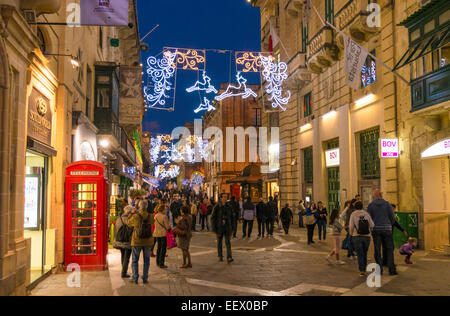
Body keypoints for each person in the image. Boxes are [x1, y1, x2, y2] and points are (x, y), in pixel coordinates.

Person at [367, 189, 397, 276]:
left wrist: (372, 227)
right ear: (381, 195)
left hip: (376, 230)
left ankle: (379, 270)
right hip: (387, 229)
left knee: (377, 250)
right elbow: (392, 218)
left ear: (375, 195)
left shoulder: (371, 205)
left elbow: (369, 218)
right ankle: (392, 270)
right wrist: (389, 225)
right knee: (389, 249)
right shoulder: (387, 204)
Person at [127, 199, 155, 284]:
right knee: (146, 260)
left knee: (135, 260)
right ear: (146, 207)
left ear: (139, 207)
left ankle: (135, 277)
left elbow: (128, 223)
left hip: (137, 241)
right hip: (148, 241)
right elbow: (153, 222)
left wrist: (132, 213)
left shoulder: (136, 216)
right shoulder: (150, 216)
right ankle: (145, 277)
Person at [350, 201, 375, 276]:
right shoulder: (366, 213)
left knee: (359, 253)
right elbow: (372, 225)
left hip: (357, 236)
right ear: (362, 206)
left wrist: (351, 234)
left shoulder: (353, 214)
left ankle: (362, 270)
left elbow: (351, 226)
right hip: (366, 237)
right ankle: (364, 268)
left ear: (355, 207)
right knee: (365, 253)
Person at [211, 194, 234, 263]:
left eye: (226, 197)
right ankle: (220, 256)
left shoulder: (229, 206)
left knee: (228, 242)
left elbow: (232, 218)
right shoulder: (217, 207)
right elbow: (213, 218)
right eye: (224, 197)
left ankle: (229, 257)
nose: (225, 198)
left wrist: (233, 228)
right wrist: (214, 228)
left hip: (227, 227)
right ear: (220, 198)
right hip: (219, 227)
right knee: (219, 242)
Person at [113, 200, 133, 278]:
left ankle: (123, 270)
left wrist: (116, 240)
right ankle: (123, 273)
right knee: (127, 257)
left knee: (123, 255)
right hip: (128, 241)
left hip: (120, 240)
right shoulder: (130, 219)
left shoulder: (119, 219)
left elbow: (116, 229)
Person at [153, 204, 170, 269]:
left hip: (156, 233)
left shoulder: (156, 215)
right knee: (163, 249)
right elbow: (167, 226)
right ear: (162, 210)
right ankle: (161, 263)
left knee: (158, 248)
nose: (166, 210)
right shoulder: (164, 216)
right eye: (165, 209)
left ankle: (157, 261)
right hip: (163, 234)